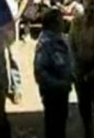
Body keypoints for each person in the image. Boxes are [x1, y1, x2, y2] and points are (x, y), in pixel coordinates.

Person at [69, 0, 94, 138]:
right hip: (80, 66)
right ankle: (88, 130)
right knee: (84, 104)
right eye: (86, 10)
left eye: (92, 10)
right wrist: (75, 66)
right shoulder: (77, 23)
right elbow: (71, 44)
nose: (88, 13)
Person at [34, 10, 75, 138]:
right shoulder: (45, 43)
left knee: (61, 124)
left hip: (63, 90)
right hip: (53, 92)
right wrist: (57, 85)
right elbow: (40, 70)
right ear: (54, 23)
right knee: (53, 126)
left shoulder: (61, 38)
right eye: (60, 20)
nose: (63, 23)